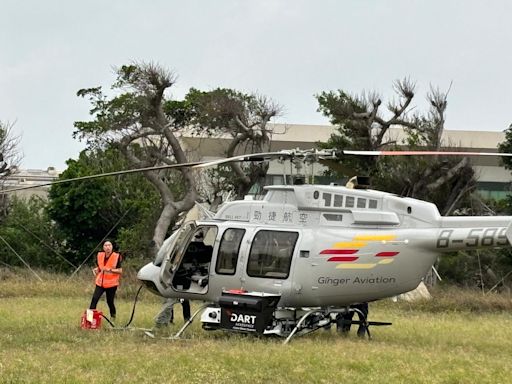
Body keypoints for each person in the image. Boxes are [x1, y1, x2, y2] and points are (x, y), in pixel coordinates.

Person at [89, 240, 123, 321]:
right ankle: (89, 320)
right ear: (103, 247)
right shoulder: (100, 255)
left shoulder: (116, 256)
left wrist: (110, 270)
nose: (107, 247)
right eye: (106, 245)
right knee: (94, 299)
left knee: (110, 302)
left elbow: (120, 270)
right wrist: (96, 269)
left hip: (111, 284)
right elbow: (101, 267)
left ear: (112, 247)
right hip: (100, 282)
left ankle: (113, 318)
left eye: (109, 245)